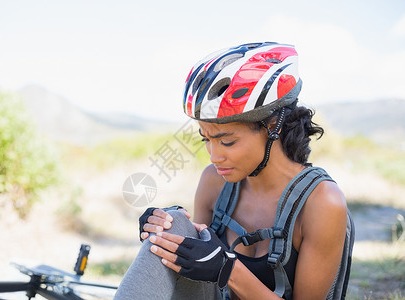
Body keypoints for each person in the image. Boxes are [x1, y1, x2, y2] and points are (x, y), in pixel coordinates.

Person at [114, 42, 348, 300]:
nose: (214, 156)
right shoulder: (213, 182)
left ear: (274, 126)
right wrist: (164, 227)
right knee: (173, 225)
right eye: (206, 139)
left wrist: (228, 269)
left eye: (227, 141)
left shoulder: (323, 202)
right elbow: (198, 264)